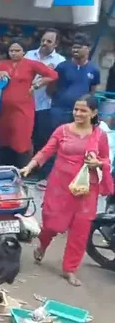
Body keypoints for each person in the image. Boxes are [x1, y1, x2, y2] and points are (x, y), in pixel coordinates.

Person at [21, 94, 113, 286]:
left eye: (83, 110)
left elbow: (106, 159)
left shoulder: (100, 135)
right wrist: (30, 166)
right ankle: (43, 244)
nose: (78, 113)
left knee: (81, 229)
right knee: (52, 225)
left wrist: (98, 163)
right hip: (60, 185)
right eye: (76, 109)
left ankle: (70, 269)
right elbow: (46, 151)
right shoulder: (62, 130)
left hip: (87, 187)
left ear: (94, 113)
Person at [0, 38, 59, 168]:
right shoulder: (2, 64)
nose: (13, 53)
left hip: (23, 109)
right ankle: (0, 170)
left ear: (24, 51)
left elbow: (53, 75)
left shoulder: (31, 64)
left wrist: (37, 84)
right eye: (11, 50)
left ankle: (21, 171)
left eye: (17, 50)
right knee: (4, 138)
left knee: (21, 139)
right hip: (4, 110)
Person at [25, 29, 66, 185]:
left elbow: (59, 82)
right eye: (43, 40)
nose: (44, 44)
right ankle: (23, 169)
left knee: (42, 140)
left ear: (56, 44)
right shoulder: (28, 55)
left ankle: (39, 173)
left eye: (49, 41)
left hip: (45, 105)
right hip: (25, 103)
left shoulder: (60, 61)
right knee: (24, 138)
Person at [49, 33, 100, 134]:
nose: (75, 50)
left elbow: (92, 91)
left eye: (79, 47)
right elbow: (51, 88)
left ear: (88, 48)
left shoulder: (94, 69)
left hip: (80, 113)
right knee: (57, 138)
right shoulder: (62, 67)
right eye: (74, 47)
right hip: (60, 111)